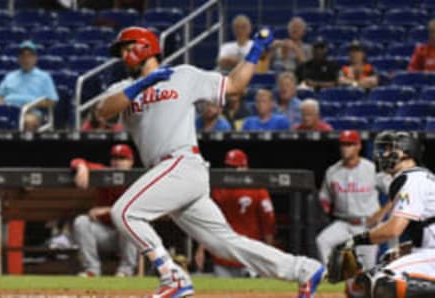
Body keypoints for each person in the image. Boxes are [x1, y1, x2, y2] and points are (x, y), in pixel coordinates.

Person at [98, 26, 324, 298]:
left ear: (145, 47)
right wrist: (140, 85)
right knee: (225, 243)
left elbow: (233, 86)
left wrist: (254, 51)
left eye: (126, 48)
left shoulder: (183, 75)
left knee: (124, 212)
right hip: (166, 173)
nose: (123, 55)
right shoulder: (122, 89)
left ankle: (172, 276)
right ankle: (303, 269)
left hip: (182, 163)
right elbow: (103, 112)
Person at [331, 131, 435, 298]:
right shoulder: (417, 177)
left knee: (385, 280)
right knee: (379, 269)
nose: (384, 155)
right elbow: (427, 230)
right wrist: (404, 249)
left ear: (407, 153)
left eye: (390, 150)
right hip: (429, 251)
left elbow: (393, 230)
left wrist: (356, 240)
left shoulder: (415, 180)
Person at [316, 130, 387, 297]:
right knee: (323, 241)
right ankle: (337, 282)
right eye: (343, 144)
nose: (345, 148)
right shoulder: (332, 171)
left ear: (358, 146)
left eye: (349, 144)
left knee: (368, 272)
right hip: (343, 223)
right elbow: (324, 198)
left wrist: (381, 214)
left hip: (366, 225)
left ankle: (358, 289)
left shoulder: (372, 169)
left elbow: (397, 192)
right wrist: (324, 206)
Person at [195, 149, 276, 278]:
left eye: (235, 167)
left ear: (245, 167)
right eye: (229, 167)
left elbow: (268, 224)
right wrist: (201, 249)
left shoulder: (257, 189)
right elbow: (209, 222)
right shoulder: (218, 189)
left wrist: (269, 255)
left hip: (250, 256)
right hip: (222, 256)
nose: (231, 171)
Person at [71, 144, 138, 277]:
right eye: (114, 158)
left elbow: (136, 209)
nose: (117, 162)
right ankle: (92, 270)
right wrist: (81, 167)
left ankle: (125, 271)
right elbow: (76, 161)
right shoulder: (104, 172)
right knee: (81, 221)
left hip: (126, 236)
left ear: (130, 161)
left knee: (130, 223)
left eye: (122, 158)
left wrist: (107, 210)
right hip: (104, 232)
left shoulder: (137, 178)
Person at [0, 41, 59, 130]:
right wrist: (2, 107)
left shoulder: (44, 77)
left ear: (35, 59)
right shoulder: (10, 76)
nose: (26, 59)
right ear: (19, 59)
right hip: (9, 111)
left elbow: (52, 101)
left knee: (27, 121)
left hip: (31, 112)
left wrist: (31, 105)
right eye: (23, 56)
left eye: (29, 56)